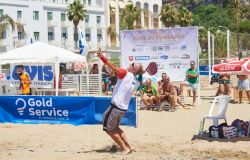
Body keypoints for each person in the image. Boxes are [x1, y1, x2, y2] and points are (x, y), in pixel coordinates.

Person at [97, 49, 143, 154]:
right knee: (116, 128)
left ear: (134, 69)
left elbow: (113, 67)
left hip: (116, 107)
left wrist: (102, 57)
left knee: (108, 129)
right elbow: (115, 68)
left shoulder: (126, 74)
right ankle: (129, 147)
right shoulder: (137, 82)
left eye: (133, 65)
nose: (130, 65)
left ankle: (124, 148)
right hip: (123, 108)